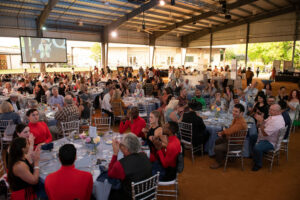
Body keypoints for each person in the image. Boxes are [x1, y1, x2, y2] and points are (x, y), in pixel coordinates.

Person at [108, 133, 152, 200]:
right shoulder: (144, 155)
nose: (120, 145)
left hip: (131, 196)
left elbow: (110, 174)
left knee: (110, 193)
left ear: (126, 149)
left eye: (121, 145)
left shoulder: (120, 165)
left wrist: (115, 153)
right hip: (148, 192)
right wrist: (122, 146)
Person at [210, 104, 247, 169]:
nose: (233, 113)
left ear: (241, 113)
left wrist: (222, 132)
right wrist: (223, 133)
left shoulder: (240, 122)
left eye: (236, 111)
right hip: (232, 139)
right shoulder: (237, 118)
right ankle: (224, 156)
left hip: (235, 144)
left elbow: (230, 130)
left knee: (216, 148)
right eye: (233, 111)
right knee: (218, 141)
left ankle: (219, 162)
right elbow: (231, 129)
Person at [252, 104, 285, 171]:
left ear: (278, 112)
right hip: (268, 137)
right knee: (252, 136)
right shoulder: (274, 116)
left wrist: (260, 122)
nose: (269, 110)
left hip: (270, 141)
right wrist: (261, 119)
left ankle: (258, 164)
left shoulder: (276, 122)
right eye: (269, 109)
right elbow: (265, 122)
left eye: (271, 110)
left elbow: (265, 134)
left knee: (257, 148)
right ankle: (255, 155)